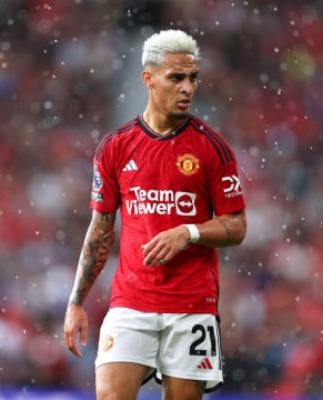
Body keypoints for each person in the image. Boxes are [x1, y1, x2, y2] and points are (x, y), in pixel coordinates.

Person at [63, 29, 247, 400]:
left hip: (191, 306)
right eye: (176, 78)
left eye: (193, 78)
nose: (188, 88)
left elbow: (237, 225)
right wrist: (76, 301)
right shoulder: (115, 148)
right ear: (147, 79)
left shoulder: (213, 148)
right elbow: (100, 229)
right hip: (131, 302)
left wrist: (188, 232)